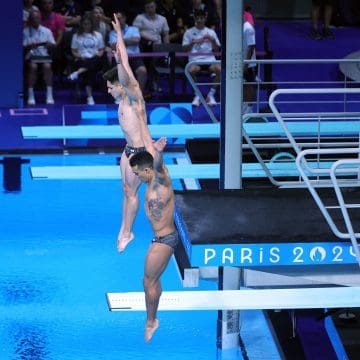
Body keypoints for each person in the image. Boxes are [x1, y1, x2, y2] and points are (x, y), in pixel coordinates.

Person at [102, 14, 153, 252]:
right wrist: (119, 41)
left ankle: (127, 232)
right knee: (126, 190)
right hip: (128, 151)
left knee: (131, 193)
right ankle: (123, 229)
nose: (109, 90)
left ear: (121, 85)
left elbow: (126, 69)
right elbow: (123, 62)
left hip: (140, 153)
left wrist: (121, 56)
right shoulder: (123, 99)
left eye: (111, 86)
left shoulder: (134, 98)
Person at [129, 137, 178, 343]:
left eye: (137, 172)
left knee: (149, 281)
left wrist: (158, 152)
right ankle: (151, 319)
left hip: (166, 239)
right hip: (159, 238)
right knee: (148, 280)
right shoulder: (148, 183)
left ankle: (151, 321)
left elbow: (158, 165)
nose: (136, 176)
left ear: (147, 170)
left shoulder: (160, 180)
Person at [182, 9, 221, 106]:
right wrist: (193, 42)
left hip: (210, 60)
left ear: (205, 19)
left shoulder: (211, 32)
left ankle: (211, 95)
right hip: (194, 60)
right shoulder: (188, 32)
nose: (199, 20)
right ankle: (197, 95)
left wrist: (212, 41)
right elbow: (184, 49)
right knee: (190, 71)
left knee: (220, 69)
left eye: (202, 18)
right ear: (194, 18)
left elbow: (217, 50)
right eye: (198, 18)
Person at [132, 0, 170, 93]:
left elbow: (165, 34)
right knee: (143, 67)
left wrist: (167, 47)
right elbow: (136, 32)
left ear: (155, 7)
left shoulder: (162, 19)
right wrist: (152, 39)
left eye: (152, 7)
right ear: (145, 8)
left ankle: (154, 82)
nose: (150, 9)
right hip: (142, 45)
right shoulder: (140, 18)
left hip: (157, 46)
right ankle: (141, 86)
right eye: (148, 7)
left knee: (155, 64)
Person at [108, 11, 148, 96]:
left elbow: (136, 41)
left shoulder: (133, 29)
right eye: (116, 19)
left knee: (142, 71)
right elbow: (113, 46)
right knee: (117, 73)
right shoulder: (112, 33)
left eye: (119, 18)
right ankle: (121, 96)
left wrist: (120, 41)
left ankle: (138, 94)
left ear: (124, 18)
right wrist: (128, 41)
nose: (118, 20)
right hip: (120, 58)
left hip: (135, 57)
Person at [69, 14, 105, 105]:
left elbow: (101, 49)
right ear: (81, 25)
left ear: (92, 25)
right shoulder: (76, 36)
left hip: (96, 59)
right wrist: (80, 56)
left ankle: (77, 73)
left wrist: (99, 54)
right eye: (85, 24)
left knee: (93, 62)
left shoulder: (98, 35)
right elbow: (73, 51)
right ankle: (90, 97)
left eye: (89, 24)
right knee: (89, 71)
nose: (87, 26)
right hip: (82, 59)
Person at [23, 9, 56, 105]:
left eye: (37, 18)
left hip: (44, 55)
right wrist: (29, 46)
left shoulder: (47, 31)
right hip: (31, 55)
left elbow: (53, 44)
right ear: (30, 20)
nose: (35, 20)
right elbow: (23, 45)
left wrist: (49, 45)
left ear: (40, 19)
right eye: (33, 18)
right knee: (33, 67)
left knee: (47, 67)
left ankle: (49, 94)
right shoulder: (25, 31)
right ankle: (31, 94)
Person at [243, 12, 257, 114]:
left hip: (248, 64)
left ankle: (249, 109)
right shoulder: (237, 27)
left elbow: (251, 46)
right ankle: (244, 108)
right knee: (243, 85)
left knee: (249, 85)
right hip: (239, 62)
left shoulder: (248, 28)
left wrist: (246, 64)